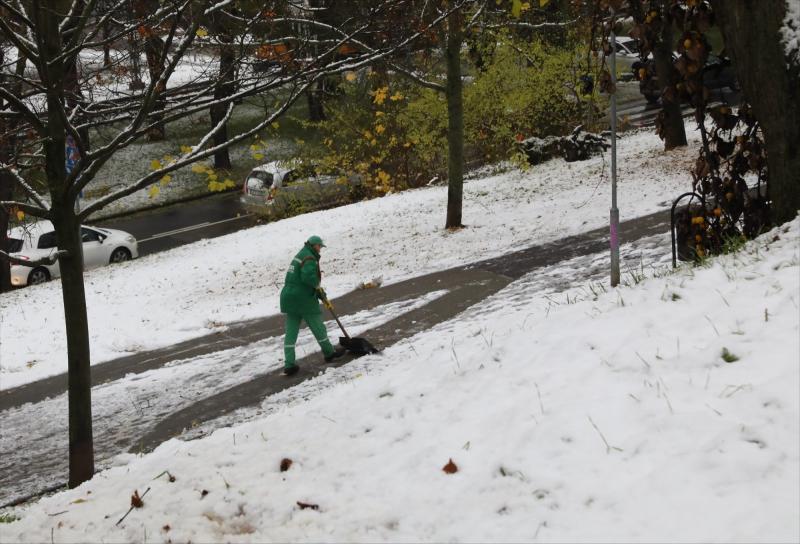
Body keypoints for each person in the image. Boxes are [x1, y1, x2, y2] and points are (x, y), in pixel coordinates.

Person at [280, 235, 345, 376]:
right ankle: (329, 353)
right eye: (320, 246)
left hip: (288, 297)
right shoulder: (309, 258)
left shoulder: (300, 254)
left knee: (291, 332)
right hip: (303, 298)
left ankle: (289, 364)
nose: (320, 249)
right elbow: (308, 277)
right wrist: (318, 288)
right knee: (318, 326)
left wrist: (318, 290)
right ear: (314, 245)